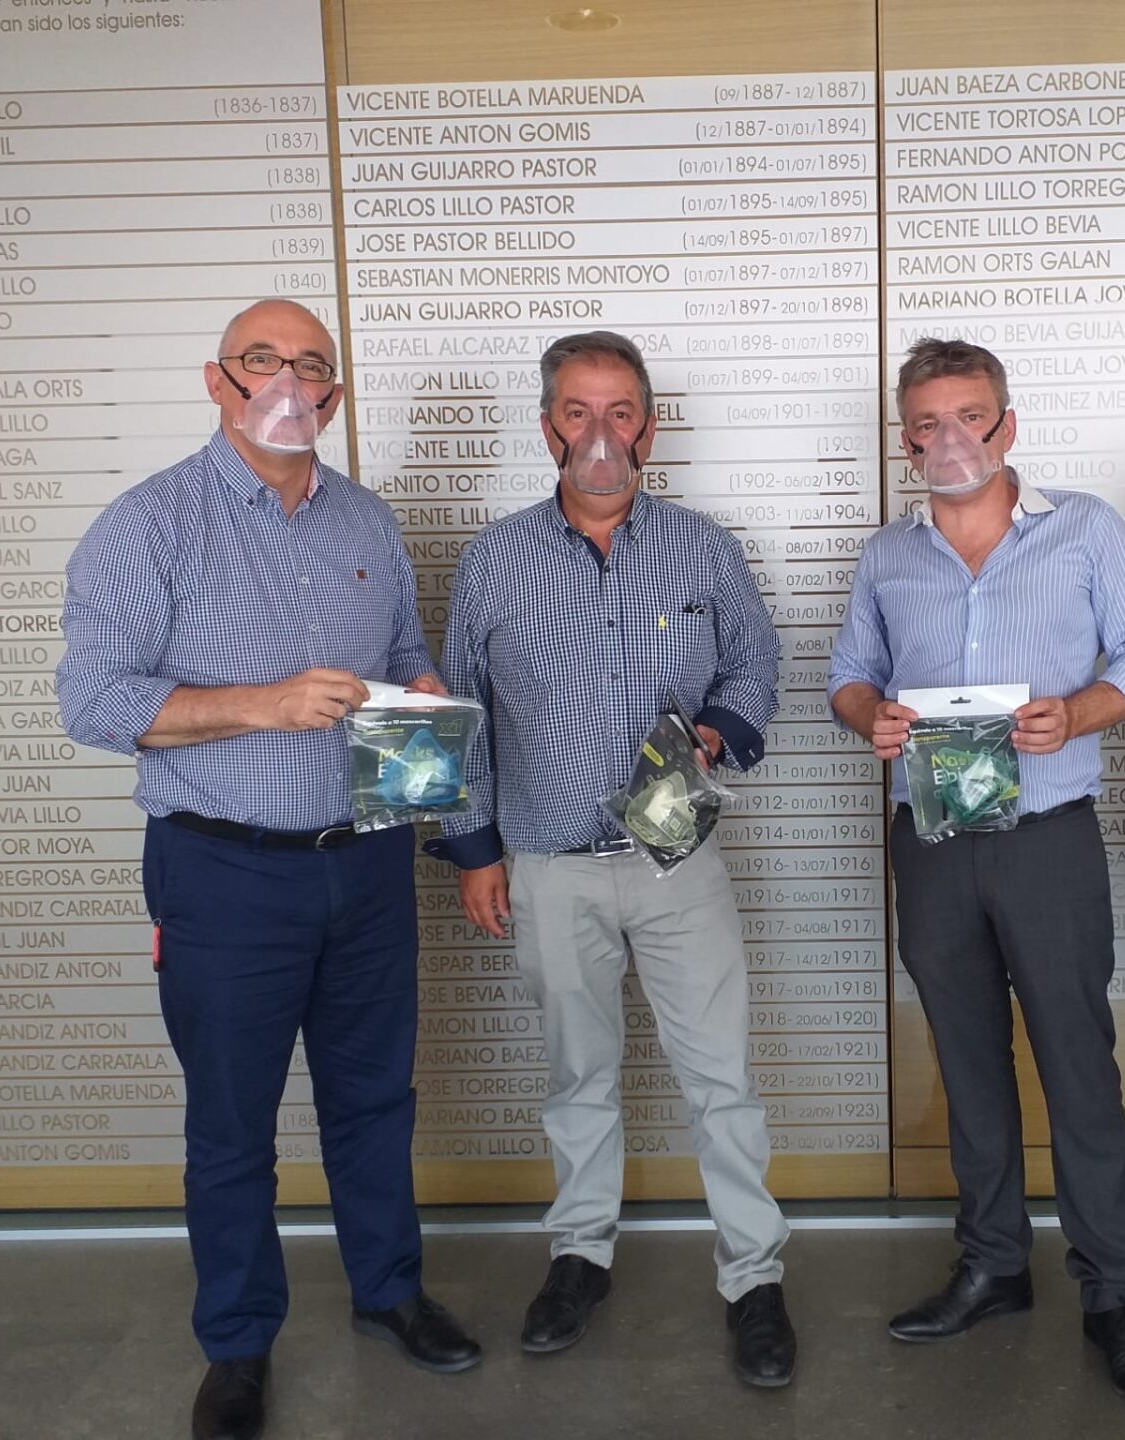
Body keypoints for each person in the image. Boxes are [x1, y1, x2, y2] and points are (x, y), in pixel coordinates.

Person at [58, 299, 477, 1440]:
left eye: (310, 366)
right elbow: (91, 703)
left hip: (369, 865)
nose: (287, 382)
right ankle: (238, 1344)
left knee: (374, 1099)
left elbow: (405, 655)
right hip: (224, 873)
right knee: (233, 1122)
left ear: (334, 397)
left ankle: (390, 1290)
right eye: (262, 360)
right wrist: (265, 704)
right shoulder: (150, 525)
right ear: (219, 381)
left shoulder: (366, 519)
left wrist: (422, 695)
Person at [429, 331, 796, 1387]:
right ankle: (579, 1256)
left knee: (720, 1079)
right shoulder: (496, 558)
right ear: (548, 427)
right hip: (548, 862)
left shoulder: (701, 548)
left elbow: (755, 661)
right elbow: (463, 711)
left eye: (621, 411)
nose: (601, 433)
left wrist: (718, 731)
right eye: (579, 412)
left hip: (677, 856)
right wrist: (474, 853)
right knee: (577, 1075)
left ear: (649, 428)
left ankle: (754, 1277)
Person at [828, 337, 1125, 1410]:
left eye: (969, 417)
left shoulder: (1084, 530)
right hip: (933, 841)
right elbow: (849, 676)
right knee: (968, 1061)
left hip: (1047, 838)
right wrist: (870, 717)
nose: (950, 439)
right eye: (927, 424)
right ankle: (992, 1265)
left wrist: (1078, 711)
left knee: (1078, 1064)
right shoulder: (888, 556)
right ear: (906, 441)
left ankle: (1112, 1292)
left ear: (1007, 425)